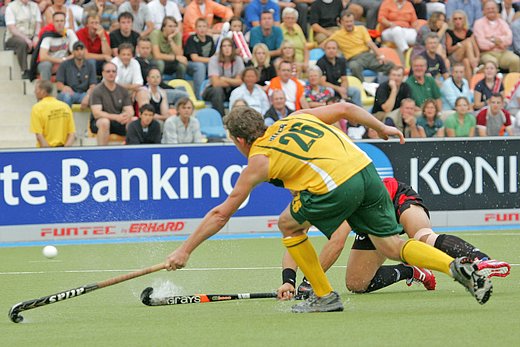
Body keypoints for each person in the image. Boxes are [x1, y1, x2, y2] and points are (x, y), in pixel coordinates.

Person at [164, 102, 493, 314]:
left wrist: (185, 250)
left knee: (288, 225)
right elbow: (347, 108)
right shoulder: (295, 117)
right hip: (366, 171)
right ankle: (454, 268)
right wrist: (380, 128)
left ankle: (324, 296)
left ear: (239, 140)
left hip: (336, 185)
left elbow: (222, 213)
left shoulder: (257, 159)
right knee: (392, 246)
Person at [279, 177, 510, 300]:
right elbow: (294, 238)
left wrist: (309, 283)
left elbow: (337, 242)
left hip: (391, 197)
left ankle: (482, 260)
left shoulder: (330, 194)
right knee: (357, 284)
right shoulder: (304, 203)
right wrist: (288, 280)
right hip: (370, 218)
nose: (294, 194)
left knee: (422, 236)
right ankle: (412, 271)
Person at [323, 10, 393, 82]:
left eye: (351, 21)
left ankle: (377, 83)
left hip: (368, 56)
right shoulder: (337, 35)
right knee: (354, 66)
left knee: (390, 65)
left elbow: (370, 43)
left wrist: (380, 56)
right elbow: (323, 45)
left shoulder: (361, 29)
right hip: (353, 59)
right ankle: (363, 87)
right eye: (347, 22)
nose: (349, 24)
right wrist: (334, 51)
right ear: (342, 22)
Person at [89, 62, 135, 145]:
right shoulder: (97, 90)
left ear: (116, 73)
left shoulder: (123, 90)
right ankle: (102, 152)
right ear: (103, 73)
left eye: (113, 71)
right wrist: (116, 117)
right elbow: (97, 113)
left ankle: (131, 151)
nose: (111, 73)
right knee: (105, 122)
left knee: (133, 120)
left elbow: (130, 111)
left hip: (118, 121)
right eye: (108, 71)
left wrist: (125, 116)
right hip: (99, 122)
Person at [473, 1, 520, 73]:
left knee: (516, 60)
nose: (491, 10)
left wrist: (493, 40)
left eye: (493, 8)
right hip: (487, 53)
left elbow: (509, 39)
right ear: (484, 11)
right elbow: (482, 44)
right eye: (488, 9)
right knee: (492, 63)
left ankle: (513, 83)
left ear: (497, 10)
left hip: (503, 52)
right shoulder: (478, 23)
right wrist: (497, 42)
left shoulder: (502, 22)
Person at [203, 37, 245, 116]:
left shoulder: (238, 60)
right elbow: (215, 83)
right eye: (224, 46)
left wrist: (224, 79)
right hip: (211, 91)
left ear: (233, 48)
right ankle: (222, 119)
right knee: (217, 90)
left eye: (229, 46)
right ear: (221, 48)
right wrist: (233, 81)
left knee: (240, 90)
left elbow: (240, 81)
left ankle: (239, 118)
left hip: (229, 90)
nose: (227, 49)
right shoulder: (214, 59)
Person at [316, 39, 362, 107]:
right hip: (327, 89)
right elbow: (322, 82)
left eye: (333, 48)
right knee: (330, 91)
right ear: (325, 50)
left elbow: (344, 79)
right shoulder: (321, 62)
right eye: (328, 48)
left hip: (339, 87)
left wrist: (344, 89)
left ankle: (358, 113)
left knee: (355, 91)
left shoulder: (341, 61)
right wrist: (339, 89)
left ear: (337, 50)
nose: (331, 50)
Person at [30, 79, 76, 147]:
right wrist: (65, 150)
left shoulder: (37, 108)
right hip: (63, 148)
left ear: (43, 91)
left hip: (46, 150)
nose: (34, 92)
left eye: (36, 89)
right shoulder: (65, 107)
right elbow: (72, 133)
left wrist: (49, 152)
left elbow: (39, 135)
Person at [4, 0, 42, 79]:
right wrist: (25, 38)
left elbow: (38, 24)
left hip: (31, 36)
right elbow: (12, 28)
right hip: (13, 38)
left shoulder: (35, 6)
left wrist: (36, 36)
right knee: (22, 43)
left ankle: (37, 70)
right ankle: (24, 71)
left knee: (41, 42)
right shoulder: (11, 7)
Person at [37, 11, 78, 81]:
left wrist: (64, 60)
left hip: (65, 61)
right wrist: (59, 61)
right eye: (57, 21)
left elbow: (77, 52)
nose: (59, 23)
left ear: (65, 22)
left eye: (62, 21)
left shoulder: (69, 33)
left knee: (78, 60)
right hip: (49, 63)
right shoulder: (48, 35)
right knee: (46, 65)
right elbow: (42, 56)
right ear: (53, 22)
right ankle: (46, 88)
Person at [56, 40, 97, 108]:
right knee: (66, 97)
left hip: (83, 94)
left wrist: (87, 96)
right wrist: (64, 87)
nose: (79, 52)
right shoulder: (64, 64)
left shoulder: (90, 65)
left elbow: (93, 85)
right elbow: (59, 84)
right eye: (77, 50)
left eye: (81, 49)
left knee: (94, 98)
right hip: (69, 93)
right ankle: (67, 118)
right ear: (72, 52)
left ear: (85, 51)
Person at [184, 18, 216, 100]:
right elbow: (194, 58)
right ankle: (199, 96)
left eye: (204, 26)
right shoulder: (192, 39)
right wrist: (211, 61)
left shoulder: (210, 39)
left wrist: (213, 61)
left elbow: (213, 56)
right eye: (199, 26)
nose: (202, 29)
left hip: (206, 63)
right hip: (191, 65)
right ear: (195, 28)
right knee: (200, 66)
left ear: (207, 28)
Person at [445, 10, 480, 82]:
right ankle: (474, 67)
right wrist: (460, 45)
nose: (458, 21)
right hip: (454, 58)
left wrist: (477, 58)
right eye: (455, 19)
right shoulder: (449, 32)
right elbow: (449, 50)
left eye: (460, 18)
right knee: (467, 42)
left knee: (466, 61)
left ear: (464, 20)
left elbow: (476, 50)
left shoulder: (469, 32)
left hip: (466, 58)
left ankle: (470, 88)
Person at [280, 7, 308, 73]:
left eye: (292, 18)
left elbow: (306, 47)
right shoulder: (279, 30)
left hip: (301, 62)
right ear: (283, 19)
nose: (290, 20)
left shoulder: (297, 27)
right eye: (288, 18)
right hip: (287, 62)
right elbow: (280, 51)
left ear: (296, 20)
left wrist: (305, 62)